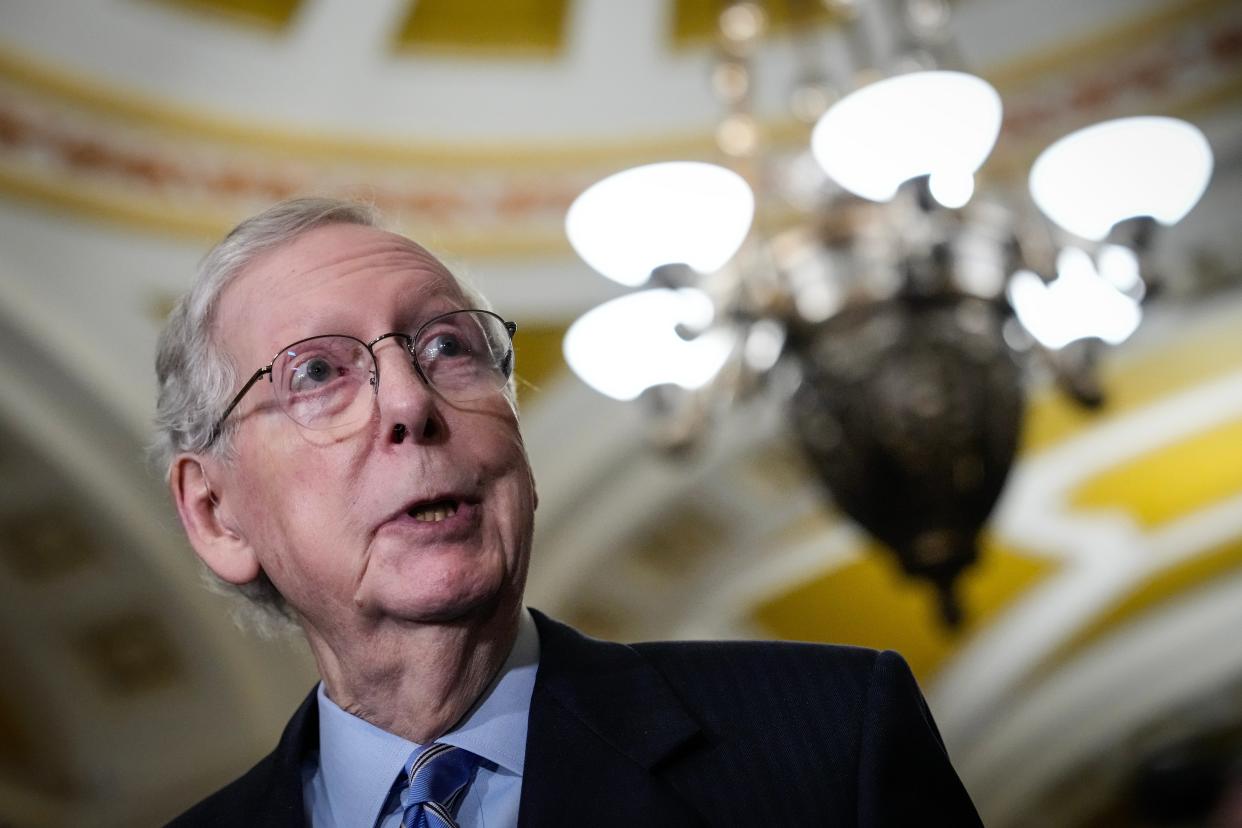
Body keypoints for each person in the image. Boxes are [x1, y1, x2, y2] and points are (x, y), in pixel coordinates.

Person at [156, 197, 983, 827]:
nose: (411, 400)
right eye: (317, 374)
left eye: (449, 346)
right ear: (216, 514)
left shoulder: (834, 743)